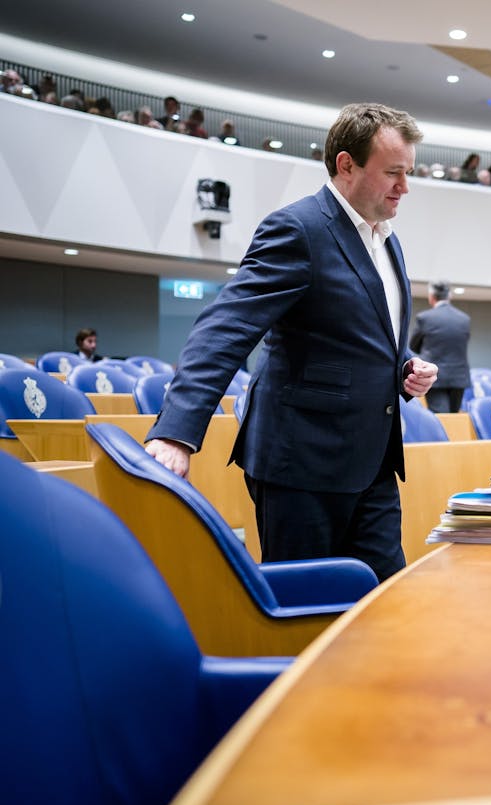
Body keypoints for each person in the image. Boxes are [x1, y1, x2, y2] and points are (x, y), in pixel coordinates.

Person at [144, 103, 438, 583]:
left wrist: (404, 368)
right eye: (394, 173)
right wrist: (176, 431)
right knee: (307, 610)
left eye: (408, 173)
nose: (405, 187)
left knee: (385, 605)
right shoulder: (298, 229)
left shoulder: (387, 240)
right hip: (303, 466)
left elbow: (365, 337)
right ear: (347, 165)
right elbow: (225, 328)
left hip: (372, 464)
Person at [410, 282, 470, 413]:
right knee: (454, 418)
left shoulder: (425, 318)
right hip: (459, 377)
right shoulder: (464, 319)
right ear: (449, 297)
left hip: (435, 376)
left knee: (441, 419)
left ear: (431, 297)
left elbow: (413, 345)